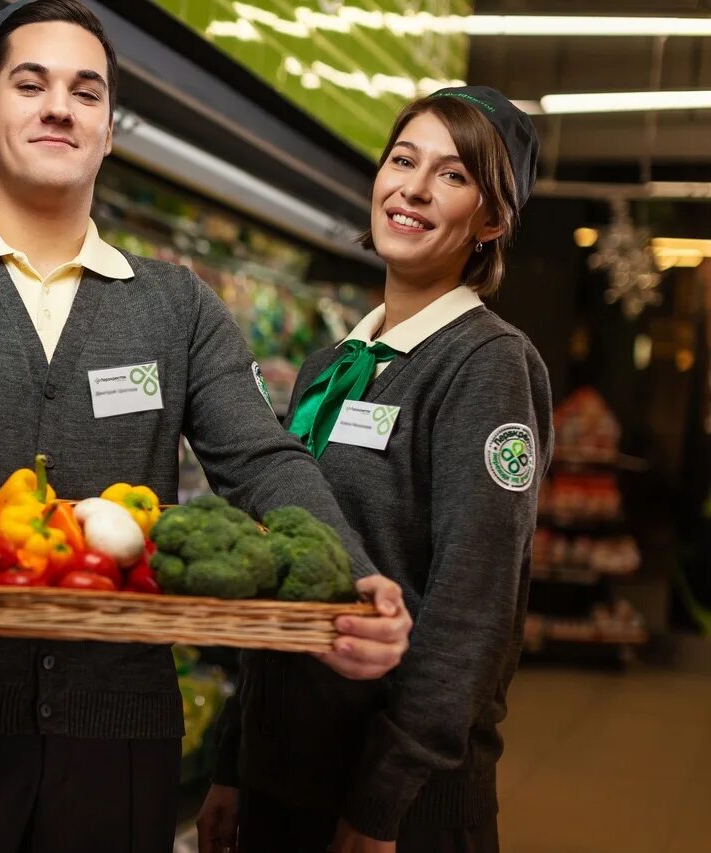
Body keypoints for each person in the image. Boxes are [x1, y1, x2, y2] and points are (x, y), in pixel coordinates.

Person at [0, 2, 411, 851]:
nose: (58, 107)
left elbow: (263, 462)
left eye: (87, 91)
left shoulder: (176, 306)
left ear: (109, 129)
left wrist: (353, 577)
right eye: (29, 82)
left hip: (116, 749)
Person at [197, 86, 552, 853]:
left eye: (454, 176)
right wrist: (234, 756)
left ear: (491, 220)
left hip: (396, 805)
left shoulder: (487, 365)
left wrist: (383, 799)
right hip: (281, 775)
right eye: (403, 159)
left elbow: (473, 610)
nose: (413, 189)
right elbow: (286, 560)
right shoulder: (335, 363)